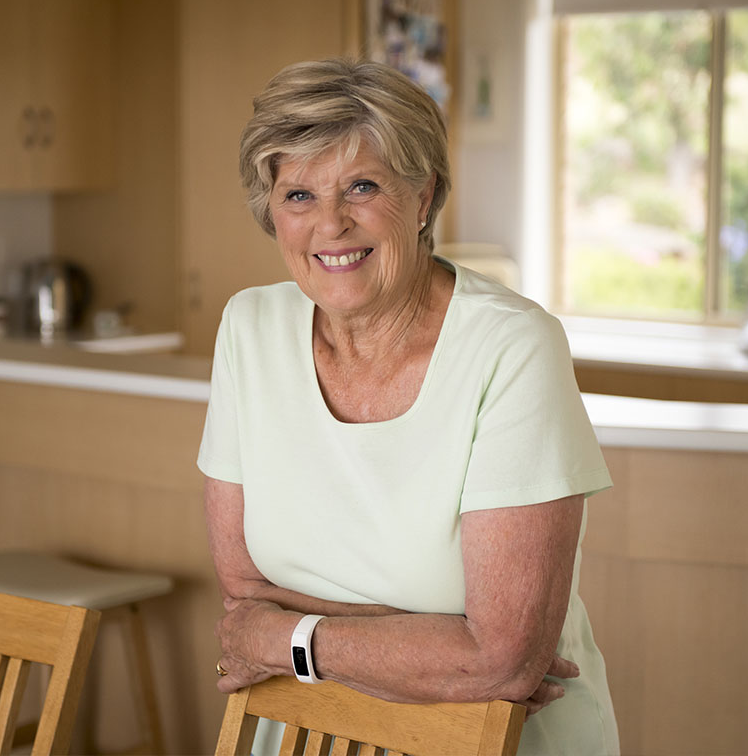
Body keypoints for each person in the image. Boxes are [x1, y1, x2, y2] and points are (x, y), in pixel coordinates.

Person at [198, 57, 619, 755]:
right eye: (298, 195)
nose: (330, 223)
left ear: (423, 197)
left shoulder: (512, 347)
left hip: (491, 739)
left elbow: (502, 660)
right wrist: (449, 643)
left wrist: (284, 638)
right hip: (312, 735)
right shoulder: (250, 329)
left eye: (362, 186)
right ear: (270, 211)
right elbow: (245, 589)